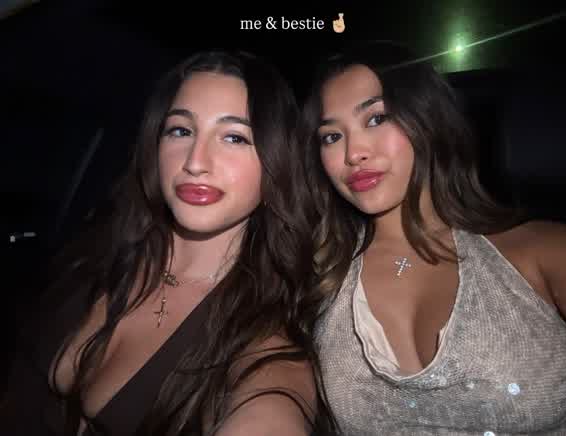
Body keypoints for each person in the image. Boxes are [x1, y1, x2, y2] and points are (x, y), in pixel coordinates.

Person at [1, 49, 334, 436]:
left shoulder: (266, 341)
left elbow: (272, 403)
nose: (195, 161)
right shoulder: (101, 249)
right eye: (181, 130)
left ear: (277, 161)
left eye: (234, 137)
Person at [300, 40, 566, 435]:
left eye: (377, 118)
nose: (353, 152)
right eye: (331, 136)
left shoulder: (549, 253)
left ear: (428, 119)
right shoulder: (319, 279)